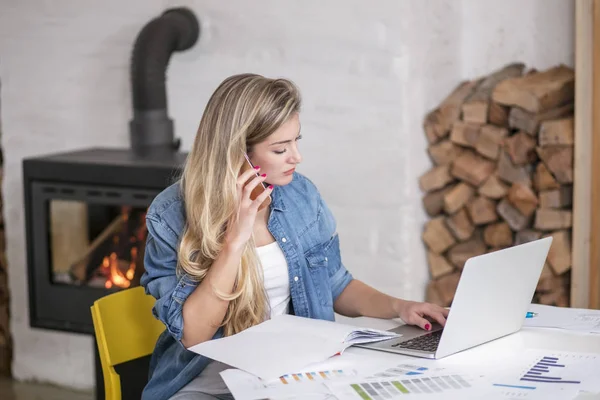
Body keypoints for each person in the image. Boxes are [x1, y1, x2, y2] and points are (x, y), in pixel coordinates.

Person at [140, 73, 449, 400]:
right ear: (236, 154)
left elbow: (335, 283)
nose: (296, 157)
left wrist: (400, 307)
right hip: (208, 383)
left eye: (296, 141)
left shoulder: (300, 195)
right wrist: (234, 240)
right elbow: (195, 335)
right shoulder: (172, 214)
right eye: (279, 149)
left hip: (294, 377)